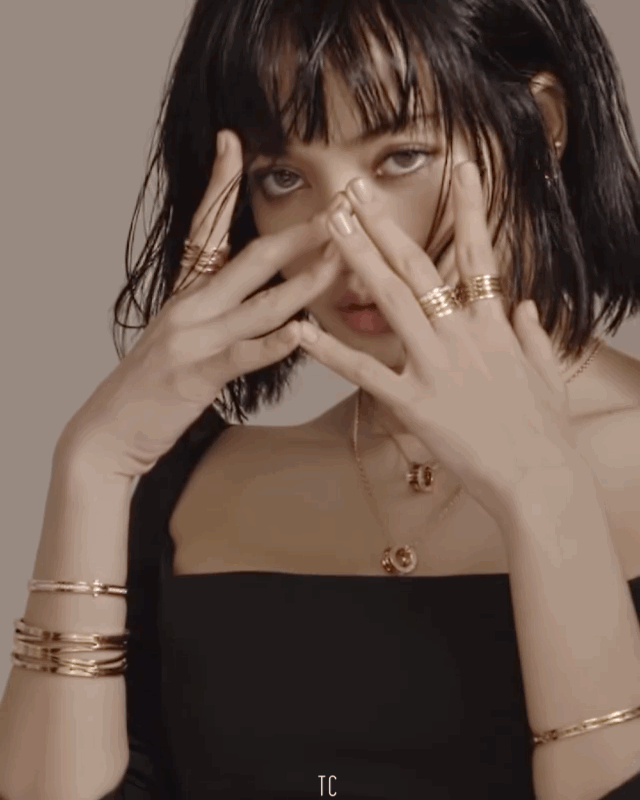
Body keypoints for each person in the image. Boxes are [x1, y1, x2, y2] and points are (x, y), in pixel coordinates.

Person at [2, 0, 640, 797]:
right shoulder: (186, 495)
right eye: (283, 176)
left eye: (401, 157)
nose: (345, 233)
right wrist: (94, 468)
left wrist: (545, 498)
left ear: (541, 124)